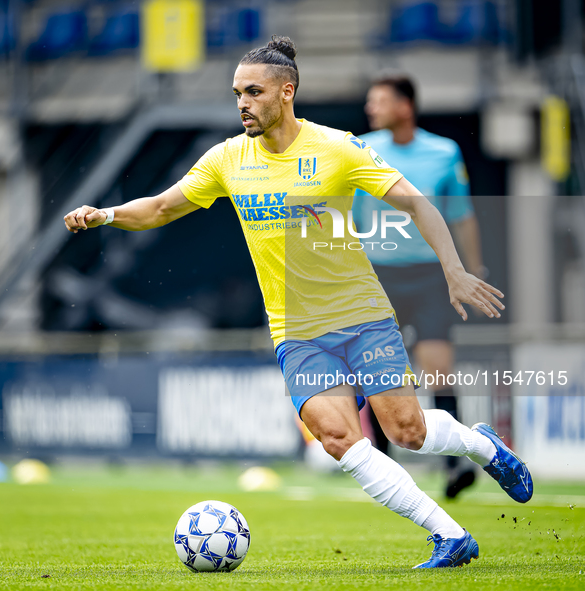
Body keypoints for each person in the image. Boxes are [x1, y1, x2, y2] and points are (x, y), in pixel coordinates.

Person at [64, 36, 532, 569]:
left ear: (286, 92)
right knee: (338, 439)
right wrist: (105, 214)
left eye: (253, 91)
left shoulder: (338, 147)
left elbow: (417, 204)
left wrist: (453, 270)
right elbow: (161, 208)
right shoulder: (227, 158)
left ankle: (482, 445)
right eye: (237, 92)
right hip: (296, 330)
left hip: (362, 316)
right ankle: (449, 536)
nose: (241, 102)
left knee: (408, 432)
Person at [352, 73, 484, 499]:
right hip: (379, 276)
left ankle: (454, 467)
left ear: (405, 106)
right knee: (378, 370)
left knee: (438, 370)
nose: (371, 108)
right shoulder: (360, 149)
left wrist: (470, 269)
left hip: (429, 275)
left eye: (380, 100)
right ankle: (385, 468)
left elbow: (461, 215)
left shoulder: (445, 153)